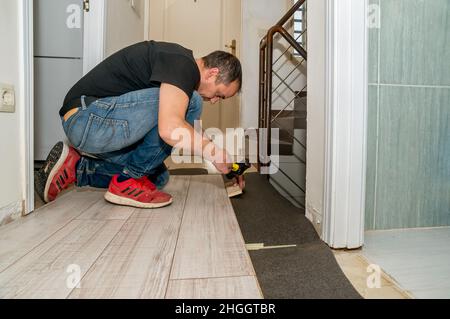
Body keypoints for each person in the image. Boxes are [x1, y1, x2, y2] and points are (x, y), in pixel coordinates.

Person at [35, 40, 244, 209]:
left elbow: (187, 130)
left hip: (95, 126)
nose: (215, 101)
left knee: (156, 177)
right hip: (87, 118)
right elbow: (171, 128)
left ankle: (77, 168)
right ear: (213, 73)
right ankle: (127, 181)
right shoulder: (182, 63)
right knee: (193, 102)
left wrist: (224, 163)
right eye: (219, 94)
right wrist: (213, 152)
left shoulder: (179, 69)